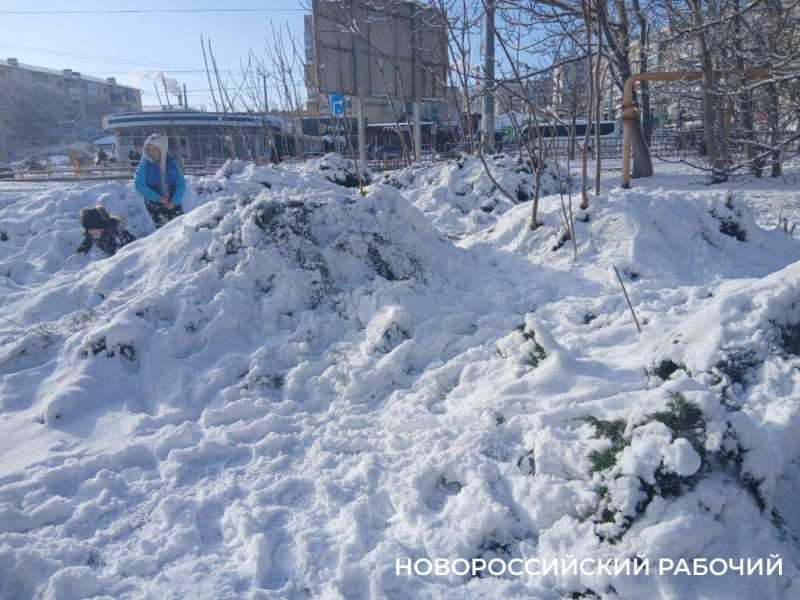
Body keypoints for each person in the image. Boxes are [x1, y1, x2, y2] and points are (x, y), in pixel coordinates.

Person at [134, 133, 186, 229]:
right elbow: (139, 185)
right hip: (154, 204)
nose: (151, 152)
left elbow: (181, 183)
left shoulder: (172, 164)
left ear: (162, 150)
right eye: (148, 149)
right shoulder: (143, 166)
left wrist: (175, 201)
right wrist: (157, 197)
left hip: (173, 201)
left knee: (181, 227)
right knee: (163, 232)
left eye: (154, 149)